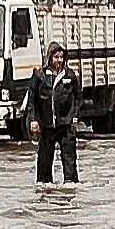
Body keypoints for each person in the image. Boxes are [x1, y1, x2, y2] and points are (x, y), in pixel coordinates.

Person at [23, 44, 84, 185]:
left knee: (70, 162)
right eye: (56, 57)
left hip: (66, 125)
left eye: (62, 57)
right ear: (49, 58)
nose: (59, 60)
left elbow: (79, 98)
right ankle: (45, 192)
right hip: (46, 125)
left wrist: (75, 116)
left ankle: (70, 189)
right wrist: (33, 120)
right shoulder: (39, 76)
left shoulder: (70, 76)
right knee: (44, 163)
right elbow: (32, 100)